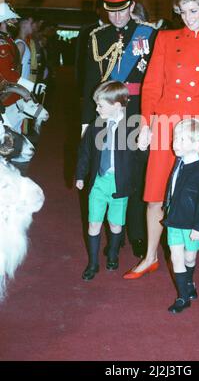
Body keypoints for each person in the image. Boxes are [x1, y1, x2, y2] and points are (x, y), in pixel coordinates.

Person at [123, 0, 199, 279]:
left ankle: (186, 264)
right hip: (164, 122)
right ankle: (149, 257)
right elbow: (152, 85)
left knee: (188, 195)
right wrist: (146, 123)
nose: (188, 17)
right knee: (155, 195)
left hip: (195, 129)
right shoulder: (165, 38)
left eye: (194, 10)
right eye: (183, 11)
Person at [82, 0, 157, 259]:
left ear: (131, 7)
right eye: (111, 12)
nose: (116, 17)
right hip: (105, 113)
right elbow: (90, 81)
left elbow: (153, 78)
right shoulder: (95, 37)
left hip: (136, 111)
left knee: (134, 174)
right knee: (104, 172)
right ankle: (114, 232)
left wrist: (150, 119)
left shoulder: (149, 35)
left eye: (122, 11)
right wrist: (85, 123)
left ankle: (135, 232)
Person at [76, 80, 138, 280]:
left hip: (119, 185)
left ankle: (113, 252)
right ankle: (93, 263)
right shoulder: (96, 126)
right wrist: (80, 175)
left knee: (116, 226)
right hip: (98, 182)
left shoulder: (132, 127)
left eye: (100, 105)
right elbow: (84, 152)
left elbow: (140, 158)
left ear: (117, 106)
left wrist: (146, 143)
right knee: (93, 223)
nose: (96, 108)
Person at [163, 118, 199, 313]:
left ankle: (189, 282)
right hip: (174, 220)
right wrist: (166, 206)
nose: (175, 143)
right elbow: (173, 189)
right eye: (175, 138)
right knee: (176, 258)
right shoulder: (179, 163)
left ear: (196, 145)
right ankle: (183, 297)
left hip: (193, 225)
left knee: (189, 258)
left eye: (181, 140)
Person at [0, 2, 21, 106]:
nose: (16, 21)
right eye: (12, 19)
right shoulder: (2, 43)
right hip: (6, 96)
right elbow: (4, 73)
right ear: (3, 21)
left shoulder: (8, 40)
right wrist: (26, 86)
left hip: (13, 91)